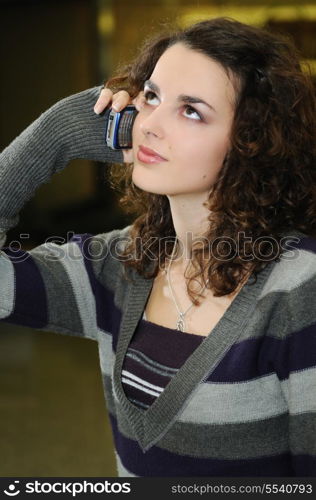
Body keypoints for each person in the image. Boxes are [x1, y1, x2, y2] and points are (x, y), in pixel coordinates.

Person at [1, 17, 316, 477]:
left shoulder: (298, 286)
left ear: (252, 143)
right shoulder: (121, 263)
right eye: (151, 96)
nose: (149, 125)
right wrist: (58, 134)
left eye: (191, 111)